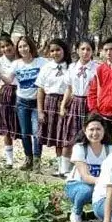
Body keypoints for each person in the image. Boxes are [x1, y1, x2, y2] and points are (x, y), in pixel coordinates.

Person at [66, 114, 112, 222]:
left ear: (104, 130)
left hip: (101, 186)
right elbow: (85, 176)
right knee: (86, 190)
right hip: (78, 185)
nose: (95, 133)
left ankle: (107, 219)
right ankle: (76, 214)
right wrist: (106, 183)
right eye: (91, 129)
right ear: (85, 130)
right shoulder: (80, 148)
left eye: (98, 129)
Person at [7, 35, 47, 171]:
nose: (23, 49)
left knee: (37, 132)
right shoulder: (16, 64)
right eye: (20, 47)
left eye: (25, 46)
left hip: (37, 102)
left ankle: (37, 161)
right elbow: (8, 79)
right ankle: (28, 159)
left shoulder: (41, 62)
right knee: (25, 132)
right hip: (22, 102)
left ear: (30, 46)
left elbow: (52, 72)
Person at [37, 38, 73, 176]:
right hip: (50, 102)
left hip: (66, 103)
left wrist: (66, 103)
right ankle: (60, 168)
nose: (55, 53)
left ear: (64, 50)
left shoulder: (71, 67)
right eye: (52, 50)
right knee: (56, 136)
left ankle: (66, 168)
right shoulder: (46, 68)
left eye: (58, 50)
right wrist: (40, 111)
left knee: (66, 136)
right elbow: (40, 90)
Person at [60, 39, 98, 162]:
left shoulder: (97, 68)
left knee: (89, 134)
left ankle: (87, 165)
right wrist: (63, 106)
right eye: (82, 49)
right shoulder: (72, 67)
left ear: (93, 51)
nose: (85, 52)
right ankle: (65, 167)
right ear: (77, 50)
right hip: (75, 103)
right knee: (70, 134)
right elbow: (69, 89)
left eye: (88, 49)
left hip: (90, 103)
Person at [0, 34, 20, 168]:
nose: (6, 49)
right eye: (2, 47)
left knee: (22, 126)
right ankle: (9, 160)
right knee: (6, 127)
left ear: (13, 46)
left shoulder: (22, 59)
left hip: (22, 94)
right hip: (6, 95)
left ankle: (29, 160)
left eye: (8, 45)